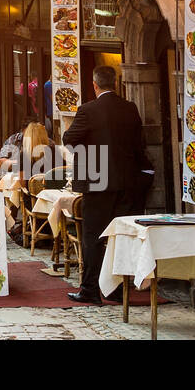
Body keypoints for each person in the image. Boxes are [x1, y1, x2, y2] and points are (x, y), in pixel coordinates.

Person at [63, 66, 151, 304]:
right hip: (126, 182)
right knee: (120, 237)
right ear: (116, 82)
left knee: (94, 237)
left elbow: (69, 139)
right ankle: (116, 288)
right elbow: (138, 143)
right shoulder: (130, 108)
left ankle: (90, 289)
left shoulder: (88, 110)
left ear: (94, 85)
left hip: (98, 182)